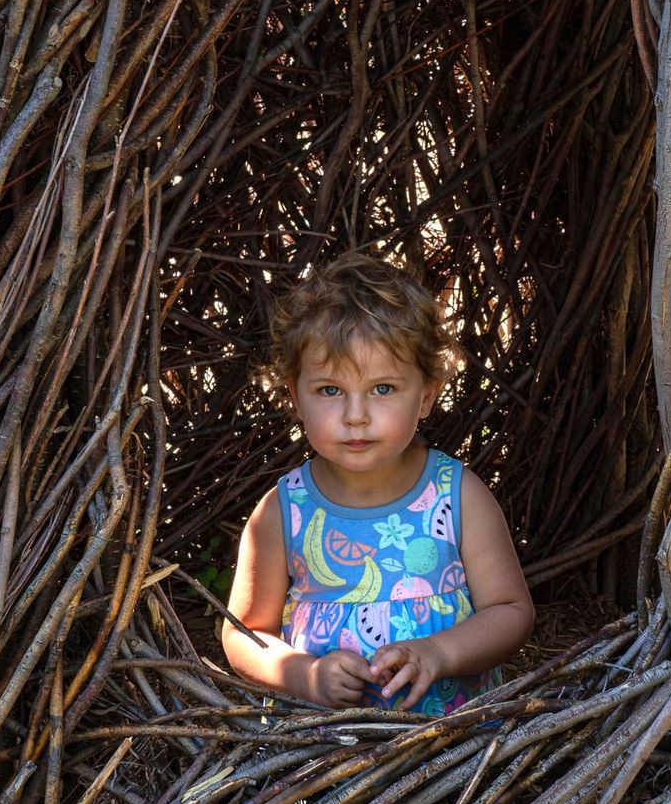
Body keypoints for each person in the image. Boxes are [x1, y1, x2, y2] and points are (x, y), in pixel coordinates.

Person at [222, 251, 535, 713]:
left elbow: (510, 612)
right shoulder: (284, 510)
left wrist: (439, 652)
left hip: (454, 750)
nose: (355, 416)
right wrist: (303, 675)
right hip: (322, 756)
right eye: (330, 390)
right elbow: (245, 633)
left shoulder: (456, 495)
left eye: (383, 389)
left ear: (426, 396)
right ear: (295, 397)